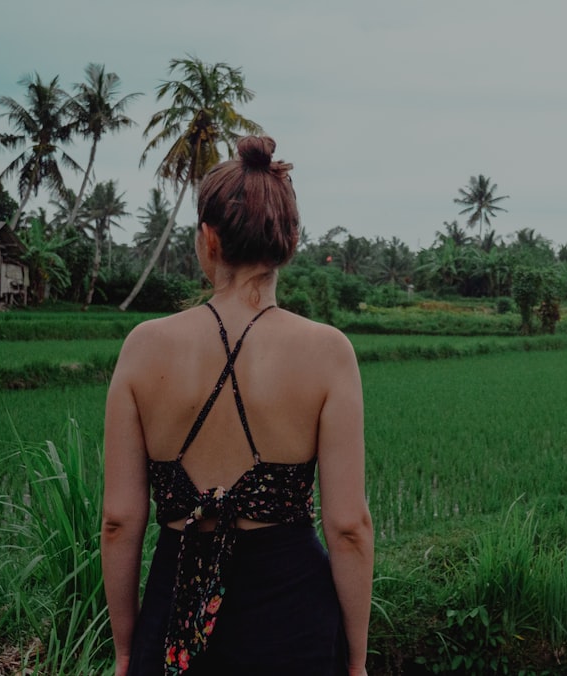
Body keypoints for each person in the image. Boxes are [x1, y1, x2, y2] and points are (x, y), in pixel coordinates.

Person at [101, 136, 373, 676]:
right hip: (293, 621)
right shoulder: (328, 353)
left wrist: (128, 650)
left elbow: (118, 521)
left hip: (174, 613)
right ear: (291, 240)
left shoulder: (143, 347)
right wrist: (358, 661)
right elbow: (349, 526)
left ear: (208, 239)